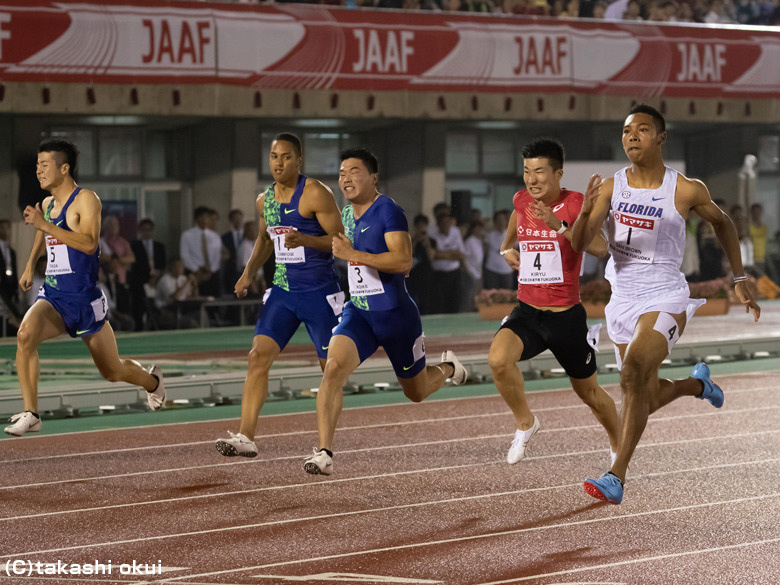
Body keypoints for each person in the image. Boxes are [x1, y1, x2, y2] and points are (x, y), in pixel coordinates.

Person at [571, 104, 761, 504]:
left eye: (642, 129)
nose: (632, 137)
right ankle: (697, 384)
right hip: (622, 299)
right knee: (646, 394)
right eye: (626, 132)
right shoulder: (610, 187)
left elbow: (723, 222)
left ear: (661, 137)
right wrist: (585, 215)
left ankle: (616, 475)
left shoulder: (686, 188)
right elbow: (583, 245)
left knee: (632, 373)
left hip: (665, 296)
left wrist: (740, 277)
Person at [303, 148, 468, 476]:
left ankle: (450, 368)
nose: (346, 178)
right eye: (341, 174)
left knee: (416, 392)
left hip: (395, 316)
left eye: (354, 171)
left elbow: (403, 261)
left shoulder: (389, 211)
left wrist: (355, 253)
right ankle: (324, 452)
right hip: (359, 313)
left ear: (373, 177)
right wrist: (301, 239)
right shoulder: (346, 215)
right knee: (333, 369)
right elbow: (334, 243)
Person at [4, 139, 164, 437]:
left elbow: (89, 244)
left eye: (44, 165)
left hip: (84, 300)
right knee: (25, 336)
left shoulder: (87, 200)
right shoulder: (48, 204)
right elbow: (43, 232)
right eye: (37, 165)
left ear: (64, 168)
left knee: (112, 371)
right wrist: (29, 265)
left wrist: (46, 225)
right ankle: (32, 413)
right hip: (53, 297)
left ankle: (152, 382)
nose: (39, 171)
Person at [488, 138, 619, 467]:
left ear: (558, 174)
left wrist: (559, 226)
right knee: (498, 361)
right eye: (526, 171)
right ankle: (526, 423)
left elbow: (601, 247)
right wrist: (506, 249)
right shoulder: (521, 200)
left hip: (566, 319)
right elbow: (513, 226)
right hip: (528, 313)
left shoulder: (575, 203)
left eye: (539, 172)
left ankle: (620, 443)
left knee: (588, 393)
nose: (532, 179)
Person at [214, 133, 345, 458]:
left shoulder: (315, 193)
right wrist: (248, 274)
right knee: (257, 357)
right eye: (274, 157)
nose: (278, 163)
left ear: (298, 160)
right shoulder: (264, 201)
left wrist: (307, 240)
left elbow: (340, 240)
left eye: (286, 157)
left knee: (329, 369)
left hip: (320, 292)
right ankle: (246, 435)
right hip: (283, 292)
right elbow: (264, 240)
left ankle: (325, 449)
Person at [129, 218, 166, 330]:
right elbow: (135, 265)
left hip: (156, 279)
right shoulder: (134, 245)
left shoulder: (159, 246)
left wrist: (156, 276)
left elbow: (162, 263)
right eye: (144, 230)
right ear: (140, 230)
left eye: (149, 230)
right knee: (139, 307)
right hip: (140, 281)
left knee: (155, 308)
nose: (146, 232)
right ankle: (139, 327)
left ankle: (155, 327)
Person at [429, 202, 465, 314]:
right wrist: (452, 254)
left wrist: (442, 254)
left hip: (454, 273)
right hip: (439, 275)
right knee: (440, 305)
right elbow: (434, 256)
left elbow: (461, 255)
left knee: (455, 304)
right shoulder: (431, 232)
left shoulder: (456, 231)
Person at [180, 206, 222, 298]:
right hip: (194, 273)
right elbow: (184, 255)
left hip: (212, 273)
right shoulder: (187, 235)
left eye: (206, 217)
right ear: (196, 219)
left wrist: (211, 270)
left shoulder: (215, 236)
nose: (204, 220)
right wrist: (197, 270)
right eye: (201, 217)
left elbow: (217, 256)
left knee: (213, 299)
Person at [221, 208, 245, 294]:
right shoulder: (225, 237)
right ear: (231, 220)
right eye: (235, 218)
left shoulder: (247, 235)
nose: (238, 221)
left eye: (239, 218)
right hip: (231, 269)